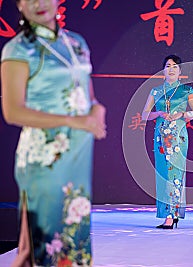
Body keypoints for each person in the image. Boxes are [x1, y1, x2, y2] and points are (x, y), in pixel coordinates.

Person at [1, 0, 106, 265]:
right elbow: (13, 111)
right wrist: (74, 121)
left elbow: (87, 94)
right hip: (43, 159)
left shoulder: (76, 43)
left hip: (77, 158)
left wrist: (96, 111)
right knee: (45, 246)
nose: (38, 3)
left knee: (73, 239)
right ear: (20, 5)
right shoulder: (18, 49)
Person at [142, 55, 193, 229]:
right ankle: (168, 213)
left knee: (175, 174)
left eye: (175, 66)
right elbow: (144, 115)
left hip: (179, 137)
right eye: (168, 66)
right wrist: (159, 114)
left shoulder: (186, 91)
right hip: (161, 138)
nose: (171, 69)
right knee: (163, 174)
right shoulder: (155, 91)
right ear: (163, 70)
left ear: (180, 71)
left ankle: (172, 214)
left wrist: (182, 114)